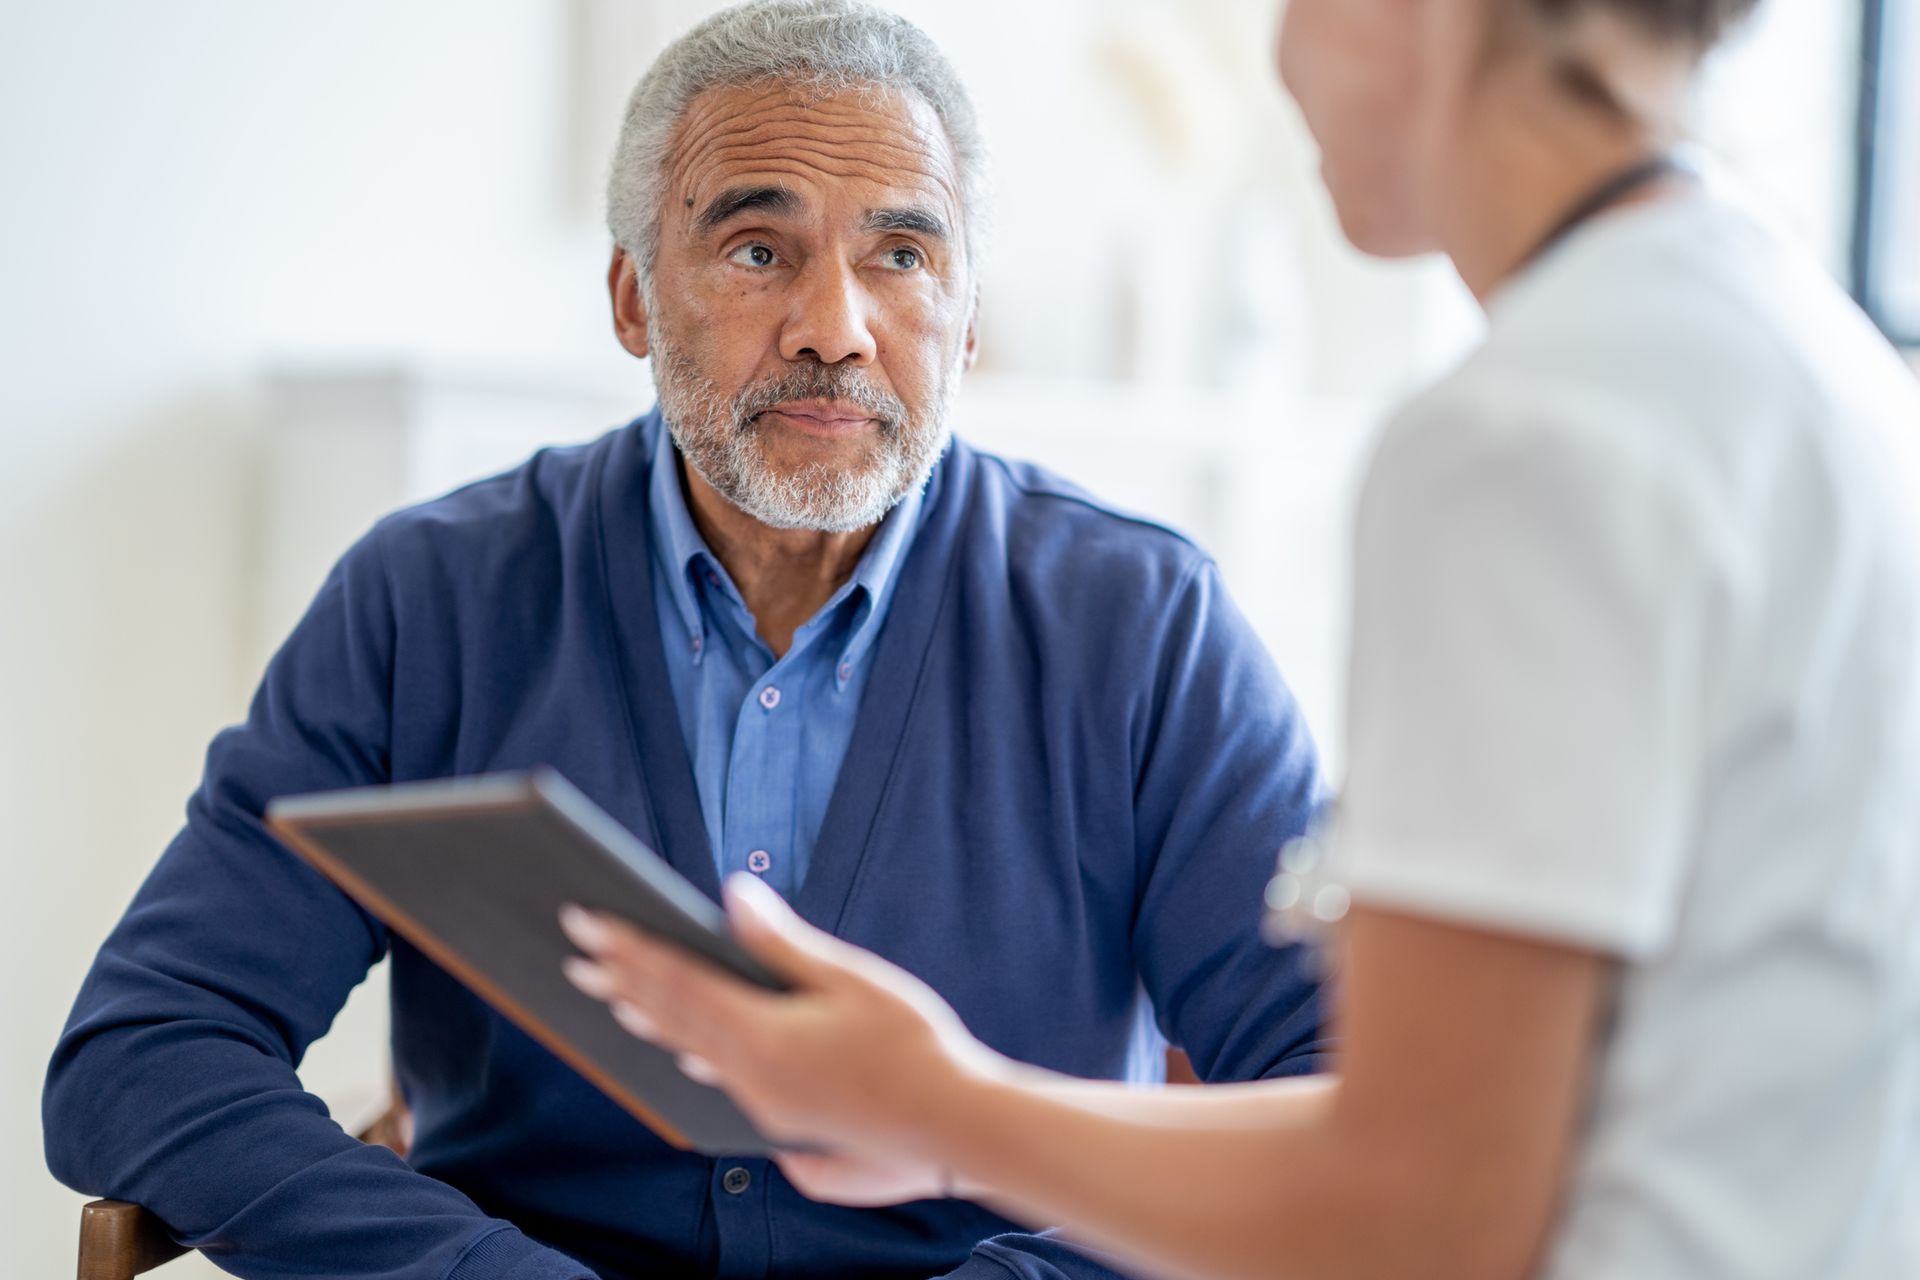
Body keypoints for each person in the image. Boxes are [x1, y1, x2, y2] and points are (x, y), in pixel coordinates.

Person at [558, 1, 1920, 1278]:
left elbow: (1425, 1206)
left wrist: (940, 1106)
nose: (1280, 65)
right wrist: (955, 1110)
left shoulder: (1527, 434)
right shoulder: (1806, 354)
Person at [40, 4, 1332, 1278]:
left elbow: (1337, 1087)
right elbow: (147, 1050)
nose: (836, 328)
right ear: (632, 298)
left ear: (970, 315)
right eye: (760, 251)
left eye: (901, 255)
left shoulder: (1145, 626)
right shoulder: (427, 602)